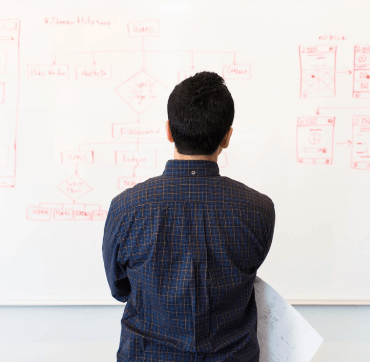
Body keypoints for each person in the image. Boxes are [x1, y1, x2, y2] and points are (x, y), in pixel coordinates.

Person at [102, 71, 275, 361]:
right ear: (227, 137)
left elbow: (120, 289)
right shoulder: (258, 209)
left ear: (168, 131)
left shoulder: (126, 208)